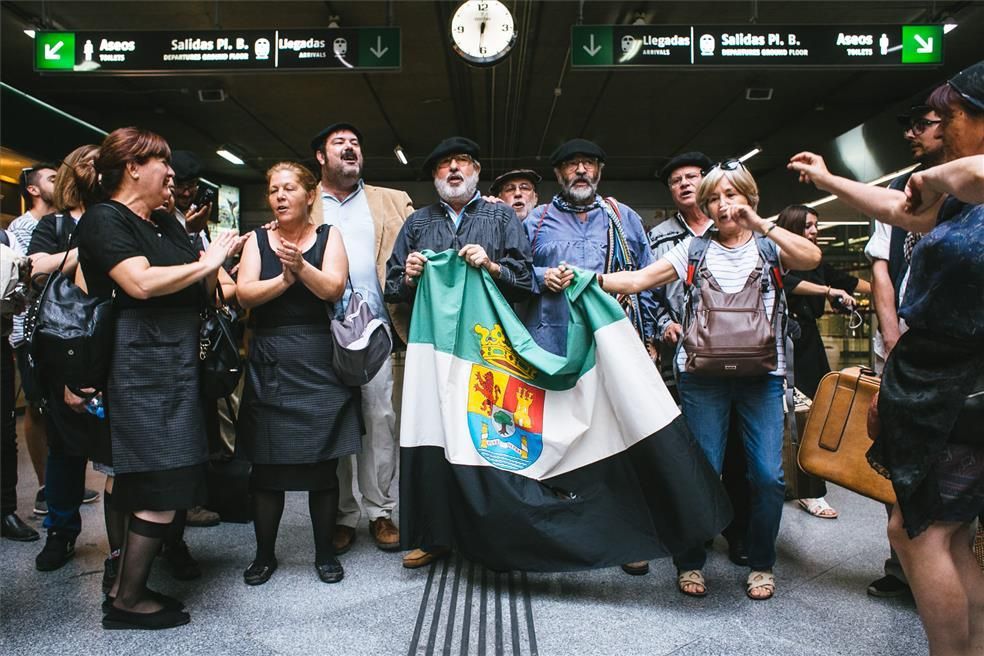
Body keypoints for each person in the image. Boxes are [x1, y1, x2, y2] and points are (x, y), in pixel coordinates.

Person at [787, 60, 984, 655]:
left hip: (964, 384)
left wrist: (939, 176)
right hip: (934, 382)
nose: (938, 130)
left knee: (917, 532)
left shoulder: (965, 180)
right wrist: (830, 180)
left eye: (947, 118)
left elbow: (971, 173)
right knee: (944, 533)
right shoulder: (956, 196)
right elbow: (902, 211)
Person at [599, 160, 821, 600]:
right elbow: (642, 279)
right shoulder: (694, 250)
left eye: (732, 195)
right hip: (702, 378)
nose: (723, 205)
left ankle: (762, 562)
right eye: (714, 198)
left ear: (749, 198)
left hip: (763, 376)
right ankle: (690, 561)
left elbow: (811, 257)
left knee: (768, 477)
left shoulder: (770, 247)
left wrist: (760, 224)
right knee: (702, 471)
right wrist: (590, 280)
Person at [75, 127, 244, 630]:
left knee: (167, 479)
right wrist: (205, 264)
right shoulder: (107, 219)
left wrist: (214, 265)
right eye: (162, 162)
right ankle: (127, 598)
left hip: (177, 366)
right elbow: (139, 282)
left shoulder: (167, 221)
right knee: (159, 485)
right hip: (140, 368)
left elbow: (203, 283)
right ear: (132, 167)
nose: (172, 174)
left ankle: (126, 584)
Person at [385, 136, 534, 569]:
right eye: (444, 164)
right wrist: (410, 275)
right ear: (434, 177)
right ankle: (434, 536)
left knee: (491, 436)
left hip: (489, 350)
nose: (453, 169)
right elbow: (390, 286)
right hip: (433, 353)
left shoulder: (501, 216)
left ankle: (496, 537)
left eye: (462, 162)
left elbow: (524, 280)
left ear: (476, 171)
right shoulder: (417, 224)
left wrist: (491, 266)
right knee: (433, 439)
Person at [520, 139, 658, 576]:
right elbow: (514, 271)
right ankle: (556, 534)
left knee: (617, 438)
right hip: (551, 350)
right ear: (558, 174)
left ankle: (624, 537)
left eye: (588, 164)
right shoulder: (536, 221)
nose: (580, 171)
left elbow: (646, 277)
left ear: (598, 170)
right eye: (571, 165)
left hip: (611, 347)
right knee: (555, 441)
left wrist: (649, 336)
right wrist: (544, 276)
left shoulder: (623, 218)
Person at [236, 161, 359, 586]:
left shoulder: (329, 236)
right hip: (270, 358)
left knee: (322, 470)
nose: (280, 196)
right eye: (273, 190)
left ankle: (324, 553)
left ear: (310, 196)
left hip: (319, 360)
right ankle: (264, 555)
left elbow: (334, 288)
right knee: (266, 470)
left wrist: (300, 267)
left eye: (289, 188)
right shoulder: (257, 239)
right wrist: (285, 282)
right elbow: (244, 292)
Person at [309, 122, 414, 555]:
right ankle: (343, 514)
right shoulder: (304, 201)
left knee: (379, 420)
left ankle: (381, 511)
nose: (351, 149)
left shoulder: (390, 201)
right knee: (335, 424)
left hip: (377, 330)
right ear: (321, 156)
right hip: (322, 331)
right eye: (339, 144)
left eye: (356, 143)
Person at [649, 151, 751, 567]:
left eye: (693, 177)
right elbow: (648, 290)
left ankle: (739, 533)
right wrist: (663, 325)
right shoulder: (658, 237)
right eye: (677, 180)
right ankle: (699, 530)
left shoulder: (738, 225)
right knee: (695, 450)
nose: (686, 184)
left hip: (743, 361)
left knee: (740, 455)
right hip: (685, 361)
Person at [863, 102, 944, 598]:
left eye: (924, 124)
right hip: (899, 342)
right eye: (908, 124)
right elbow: (880, 268)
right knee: (894, 455)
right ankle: (905, 569)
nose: (912, 133)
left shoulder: (969, 190)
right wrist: (892, 338)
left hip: (955, 348)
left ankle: (950, 564)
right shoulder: (901, 189)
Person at [26, 145, 108, 571]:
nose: (96, 169)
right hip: (64, 343)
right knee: (66, 444)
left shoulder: (119, 214)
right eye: (88, 162)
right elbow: (37, 270)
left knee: (119, 446)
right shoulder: (55, 224)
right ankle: (61, 531)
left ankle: (146, 539)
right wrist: (87, 250)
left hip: (111, 343)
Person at [776, 204, 870, 519]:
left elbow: (848, 281)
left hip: (807, 341)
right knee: (796, 417)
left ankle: (807, 486)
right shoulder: (779, 256)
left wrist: (891, 291)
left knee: (814, 413)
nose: (814, 231)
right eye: (808, 226)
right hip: (785, 341)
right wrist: (830, 291)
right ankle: (804, 488)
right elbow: (787, 283)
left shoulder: (816, 259)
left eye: (816, 225)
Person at [8, 162, 59, 516]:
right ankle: (43, 488)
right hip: (28, 329)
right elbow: (28, 276)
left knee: (56, 406)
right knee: (38, 406)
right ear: (33, 190)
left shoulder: (58, 223)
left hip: (54, 325)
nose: (61, 181)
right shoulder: (23, 228)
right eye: (52, 178)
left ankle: (57, 481)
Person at [0, 225, 38, 541]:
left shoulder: (5, 239)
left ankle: (5, 510)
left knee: (4, 430)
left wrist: (21, 276)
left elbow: (22, 300)